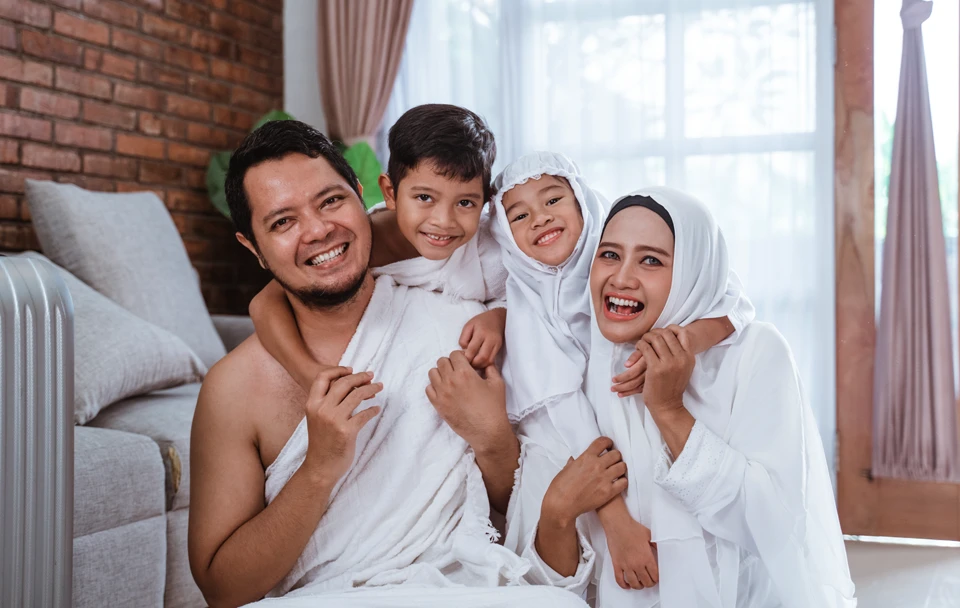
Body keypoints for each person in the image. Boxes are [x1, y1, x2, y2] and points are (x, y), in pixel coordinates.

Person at [187, 120, 590, 608]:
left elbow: (528, 515)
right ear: (254, 248)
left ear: (363, 197)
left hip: (464, 591)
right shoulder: (233, 388)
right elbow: (222, 589)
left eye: (330, 201)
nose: (318, 230)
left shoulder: (462, 326)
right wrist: (318, 469)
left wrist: (493, 441)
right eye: (282, 223)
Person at [532, 187, 857, 606]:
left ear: (693, 271)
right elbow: (559, 570)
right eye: (609, 254)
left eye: (651, 260)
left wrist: (669, 411)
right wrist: (562, 512)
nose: (622, 278)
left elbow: (774, 525)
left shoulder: (754, 352)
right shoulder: (578, 360)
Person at [486, 153, 752, 602]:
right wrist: (617, 524)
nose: (541, 218)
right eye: (520, 215)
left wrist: (682, 339)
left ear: (582, 202)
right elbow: (566, 414)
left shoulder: (612, 248)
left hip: (634, 430)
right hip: (573, 447)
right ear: (505, 237)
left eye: (553, 200)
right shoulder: (526, 301)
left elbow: (733, 299)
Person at [248, 105, 508, 392]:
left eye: (465, 203)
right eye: (424, 197)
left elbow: (533, 290)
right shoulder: (358, 245)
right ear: (390, 193)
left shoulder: (491, 245)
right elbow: (264, 304)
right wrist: (308, 373)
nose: (443, 221)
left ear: (486, 202)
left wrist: (500, 317)